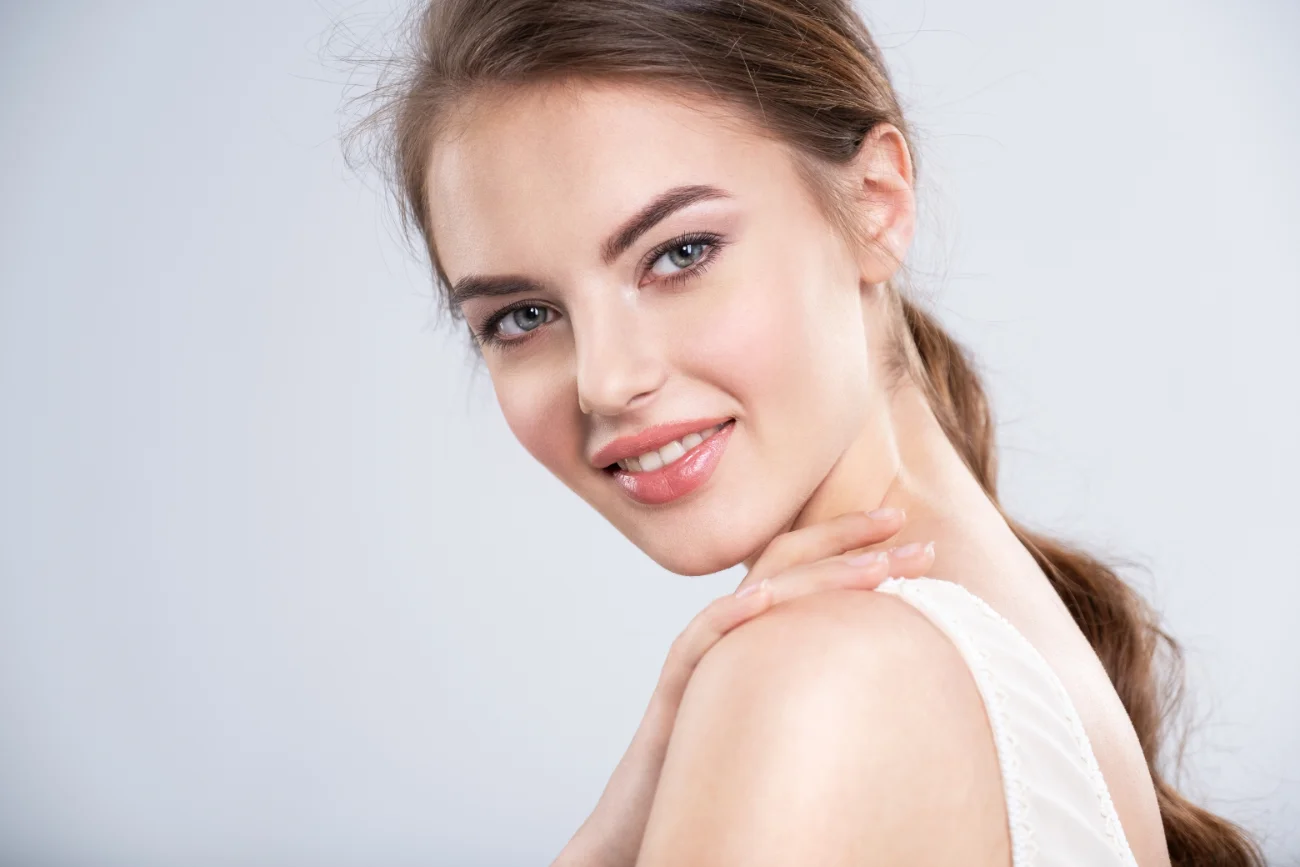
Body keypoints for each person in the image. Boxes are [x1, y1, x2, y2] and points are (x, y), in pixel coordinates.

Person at [344, 0, 1265, 863]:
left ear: (876, 202)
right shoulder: (987, 628)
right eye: (524, 316)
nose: (608, 380)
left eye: (679, 253)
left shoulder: (816, 676)